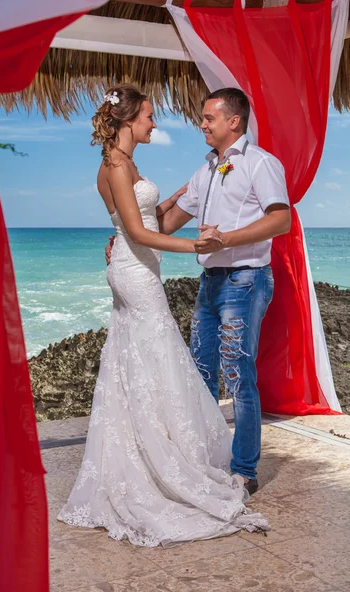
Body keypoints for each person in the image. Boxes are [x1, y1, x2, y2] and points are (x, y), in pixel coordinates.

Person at [58, 85, 268, 547]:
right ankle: (161, 464)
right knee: (160, 358)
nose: (155, 123)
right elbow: (135, 231)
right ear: (129, 118)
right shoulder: (116, 164)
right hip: (137, 273)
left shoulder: (124, 163)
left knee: (142, 363)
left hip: (132, 269)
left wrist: (168, 203)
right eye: (150, 116)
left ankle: (154, 452)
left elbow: (142, 222)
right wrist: (198, 244)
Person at [107, 88, 291, 496]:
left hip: (245, 281)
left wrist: (226, 239)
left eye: (209, 118)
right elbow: (167, 222)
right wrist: (123, 237)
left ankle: (244, 469)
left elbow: (282, 220)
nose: (202, 124)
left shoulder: (261, 164)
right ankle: (203, 459)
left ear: (233, 121)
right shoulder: (206, 168)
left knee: (237, 376)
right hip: (210, 283)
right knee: (200, 374)